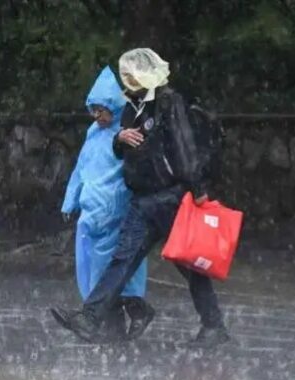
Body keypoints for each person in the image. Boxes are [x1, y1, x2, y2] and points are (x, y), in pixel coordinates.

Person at [51, 48, 231, 349]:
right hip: (142, 200)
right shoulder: (129, 108)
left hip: (171, 198)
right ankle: (91, 317)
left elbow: (183, 146)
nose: (127, 80)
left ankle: (213, 325)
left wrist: (197, 189)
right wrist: (119, 141)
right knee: (123, 259)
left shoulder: (167, 102)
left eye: (132, 75)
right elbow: (124, 150)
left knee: (190, 267)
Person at [51, 66, 154, 342]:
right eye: (93, 110)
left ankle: (104, 319)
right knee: (94, 267)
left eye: (101, 109)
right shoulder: (93, 133)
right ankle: (109, 323)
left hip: (113, 212)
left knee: (113, 269)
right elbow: (81, 168)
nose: (97, 115)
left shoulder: (126, 130)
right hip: (91, 213)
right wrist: (70, 200)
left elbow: (130, 167)